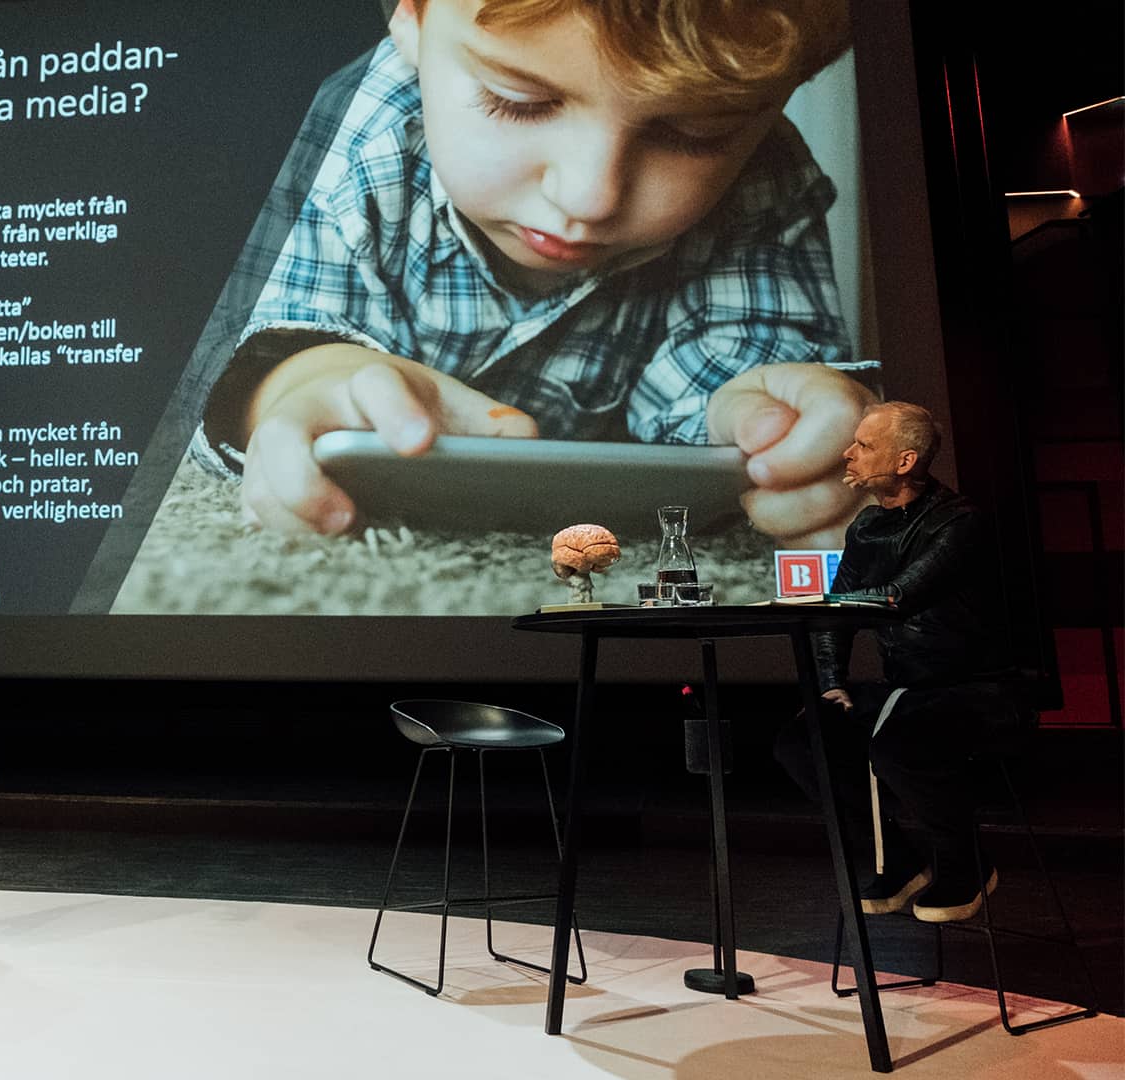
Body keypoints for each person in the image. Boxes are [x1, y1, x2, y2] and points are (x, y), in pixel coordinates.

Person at [189, 0, 873, 547]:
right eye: (518, 100)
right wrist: (298, 386)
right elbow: (246, 352)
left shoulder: (762, 181)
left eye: (693, 135)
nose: (590, 197)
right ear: (411, 16)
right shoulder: (348, 133)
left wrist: (775, 427)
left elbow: (735, 394)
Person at [773, 401, 1030, 922]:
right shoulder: (867, 526)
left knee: (899, 743)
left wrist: (826, 604)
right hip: (905, 690)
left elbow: (899, 597)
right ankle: (900, 859)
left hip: (976, 690)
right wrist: (831, 682)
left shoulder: (958, 523)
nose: (847, 453)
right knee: (804, 741)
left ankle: (966, 864)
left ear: (905, 461)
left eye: (863, 445)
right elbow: (834, 619)